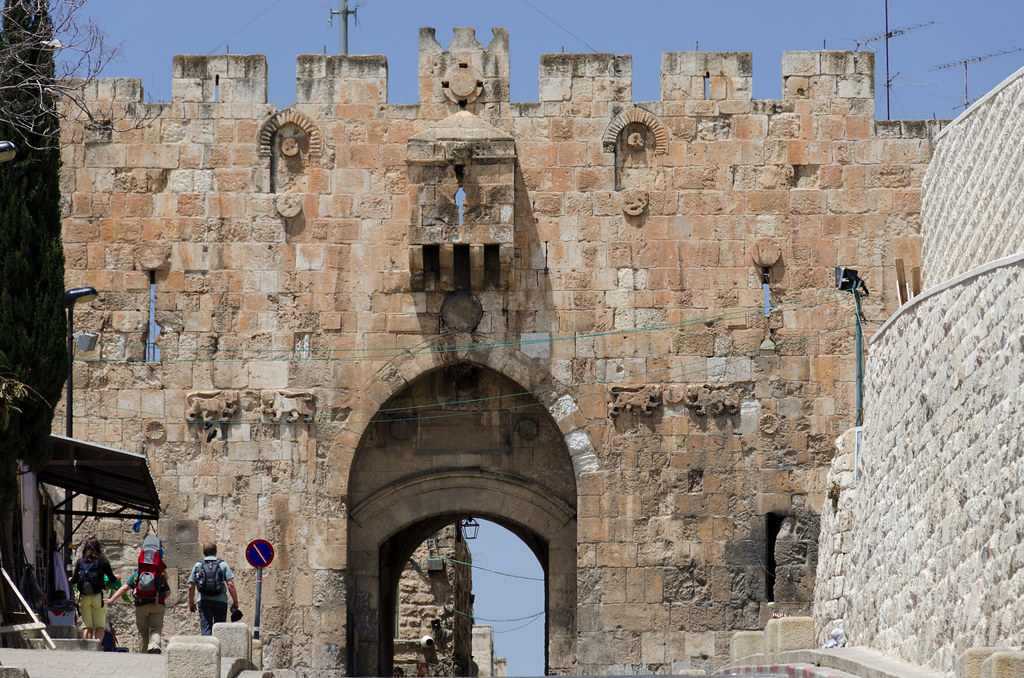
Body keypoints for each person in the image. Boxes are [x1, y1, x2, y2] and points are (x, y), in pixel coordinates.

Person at [105, 535, 169, 654]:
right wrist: (161, 598)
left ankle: (144, 653)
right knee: (155, 629)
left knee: (143, 632)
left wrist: (112, 599)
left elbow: (124, 588)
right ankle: (154, 646)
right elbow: (168, 592)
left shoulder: (137, 575)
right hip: (157, 605)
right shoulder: (160, 575)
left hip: (141, 605)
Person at [68, 536, 116, 644]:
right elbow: (112, 579)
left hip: (84, 597)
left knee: (87, 626)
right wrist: (117, 578)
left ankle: (88, 650)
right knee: (99, 625)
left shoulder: (80, 561)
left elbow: (74, 580)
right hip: (99, 597)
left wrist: (70, 579)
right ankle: (97, 648)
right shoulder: (103, 560)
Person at [187, 542, 239, 635]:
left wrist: (191, 602)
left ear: (204, 553)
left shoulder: (198, 565)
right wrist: (235, 602)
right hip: (221, 601)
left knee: (206, 628)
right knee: (220, 630)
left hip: (204, 601)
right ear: (216, 552)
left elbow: (191, 586)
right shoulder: (222, 564)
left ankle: (207, 644)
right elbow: (230, 584)